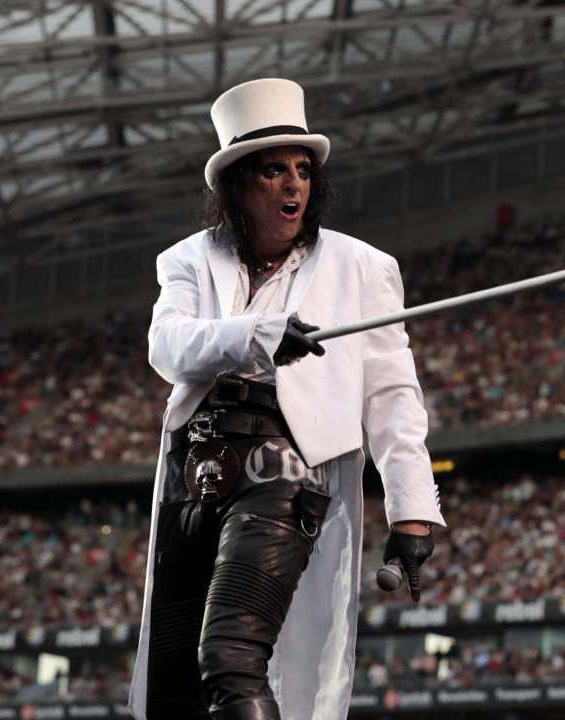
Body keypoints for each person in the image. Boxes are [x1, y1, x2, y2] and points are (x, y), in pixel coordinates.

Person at [127, 78, 446, 720]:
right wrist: (261, 335)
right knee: (172, 691)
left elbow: (392, 395)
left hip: (285, 477)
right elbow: (167, 347)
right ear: (238, 186)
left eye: (303, 169)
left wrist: (412, 512)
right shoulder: (187, 260)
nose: (294, 184)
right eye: (274, 171)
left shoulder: (361, 267)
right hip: (190, 479)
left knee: (230, 659)